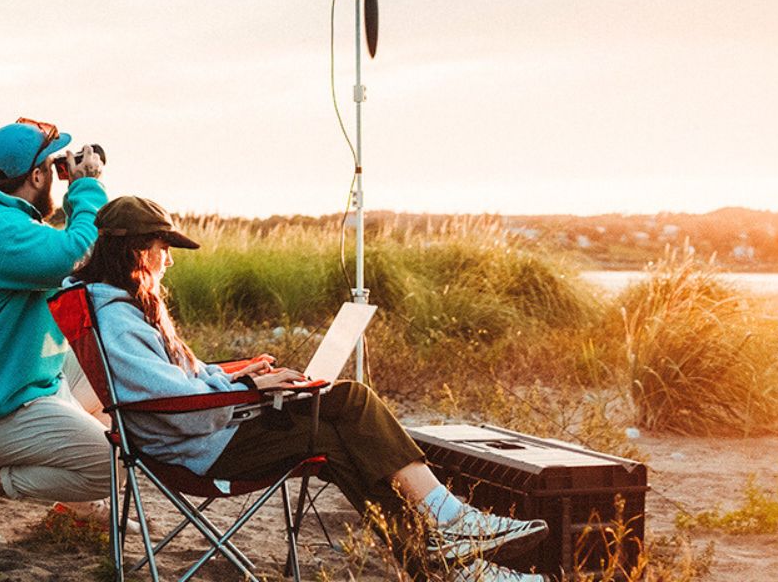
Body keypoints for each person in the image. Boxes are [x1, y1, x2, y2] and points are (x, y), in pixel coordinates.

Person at [69, 196, 550, 582]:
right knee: (347, 401)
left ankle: (451, 563)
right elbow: (173, 404)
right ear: (137, 251)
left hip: (204, 434)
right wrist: (253, 390)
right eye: (163, 248)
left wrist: (243, 375)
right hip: (201, 450)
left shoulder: (122, 309)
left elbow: (183, 381)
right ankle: (454, 525)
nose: (169, 260)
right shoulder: (117, 318)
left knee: (338, 439)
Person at [0, 118, 112, 544]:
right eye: (53, 165)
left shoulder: (8, 223)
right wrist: (85, 186)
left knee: (113, 376)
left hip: (18, 381)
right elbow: (75, 256)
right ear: (36, 175)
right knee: (111, 463)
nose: (59, 172)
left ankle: (77, 506)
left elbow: (78, 259)